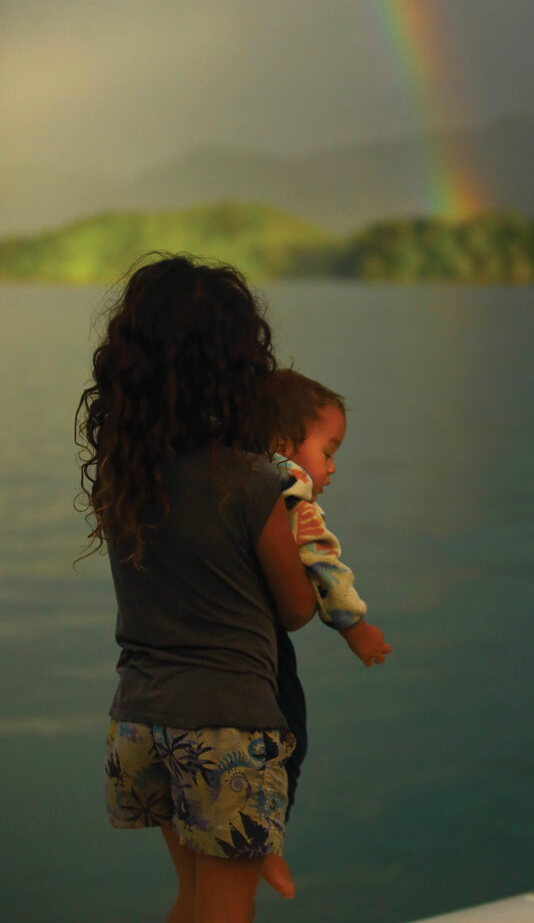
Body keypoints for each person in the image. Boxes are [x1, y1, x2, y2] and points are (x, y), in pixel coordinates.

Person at [75, 255, 317, 923]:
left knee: (195, 898)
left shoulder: (125, 479)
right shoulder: (252, 484)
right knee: (227, 911)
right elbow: (296, 608)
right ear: (238, 364)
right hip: (225, 732)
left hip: (141, 722)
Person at [260, 368, 392, 898]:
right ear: (286, 445)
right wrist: (355, 627)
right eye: (329, 451)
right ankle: (268, 841)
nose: (333, 468)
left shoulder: (231, 477)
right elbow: (322, 565)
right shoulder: (291, 493)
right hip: (264, 655)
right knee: (291, 736)